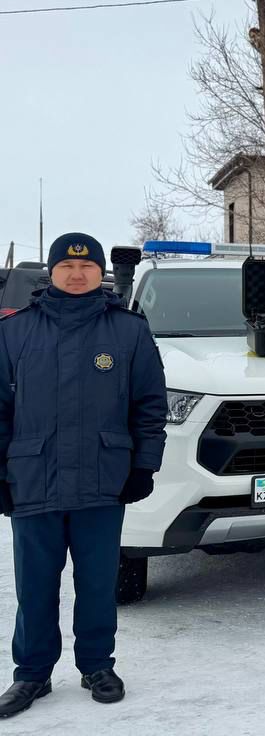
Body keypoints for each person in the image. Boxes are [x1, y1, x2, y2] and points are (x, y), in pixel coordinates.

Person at [0, 233, 167, 718]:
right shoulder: (14, 332)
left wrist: (144, 465)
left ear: (101, 273)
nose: (77, 274)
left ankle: (97, 665)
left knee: (97, 583)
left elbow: (150, 406)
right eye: (67, 267)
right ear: (51, 272)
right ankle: (32, 674)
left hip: (103, 479)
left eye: (88, 266)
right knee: (34, 585)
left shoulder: (129, 332)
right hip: (32, 478)